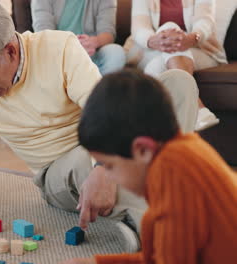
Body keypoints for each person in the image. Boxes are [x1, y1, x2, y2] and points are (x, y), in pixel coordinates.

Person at [0, 3, 200, 252]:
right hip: (58, 172)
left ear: (11, 51)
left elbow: (101, 108)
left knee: (178, 82)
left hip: (99, 144)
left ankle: (153, 196)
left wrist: (104, 168)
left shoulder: (59, 47)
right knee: (94, 159)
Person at [61, 69, 237, 264]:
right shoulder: (184, 150)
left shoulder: (177, 185)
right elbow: (155, 258)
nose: (109, 177)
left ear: (143, 150)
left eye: (110, 166)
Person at [127, 0, 227, 131]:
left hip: (198, 48)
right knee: (161, 49)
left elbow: (205, 21)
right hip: (152, 49)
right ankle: (197, 109)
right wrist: (154, 40)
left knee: (156, 66)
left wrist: (191, 38)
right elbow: (139, 27)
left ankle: (161, 128)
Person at [31, 0, 126, 75]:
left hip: (91, 55)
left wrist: (95, 41)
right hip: (58, 56)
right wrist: (71, 47)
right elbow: (43, 34)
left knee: (116, 53)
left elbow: (108, 33)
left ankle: (98, 95)